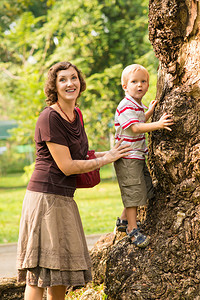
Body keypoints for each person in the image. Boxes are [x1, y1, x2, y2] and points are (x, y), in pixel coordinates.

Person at [16, 61, 131, 300]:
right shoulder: (49, 117)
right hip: (44, 200)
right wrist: (105, 159)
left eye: (74, 78)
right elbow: (67, 166)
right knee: (38, 276)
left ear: (80, 82)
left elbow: (80, 156)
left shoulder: (76, 114)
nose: (70, 83)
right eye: (63, 80)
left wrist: (111, 153)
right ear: (54, 87)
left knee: (60, 274)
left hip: (65, 199)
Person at [114, 64, 174, 248]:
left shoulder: (137, 105)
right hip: (127, 157)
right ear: (125, 86)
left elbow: (140, 120)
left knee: (141, 189)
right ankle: (132, 230)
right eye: (134, 82)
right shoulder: (125, 105)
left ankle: (123, 220)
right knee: (133, 192)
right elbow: (135, 127)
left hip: (137, 155)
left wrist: (150, 111)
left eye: (143, 81)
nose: (139, 85)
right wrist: (159, 124)